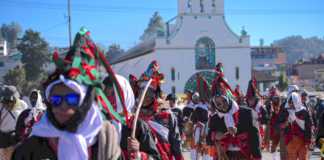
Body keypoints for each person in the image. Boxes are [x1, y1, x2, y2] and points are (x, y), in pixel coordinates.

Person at [12, 29, 122, 160]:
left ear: (85, 102)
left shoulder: (105, 139)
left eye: (72, 99)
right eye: (56, 100)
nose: (63, 106)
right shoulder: (31, 149)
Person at [208, 66, 262, 160]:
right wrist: (215, 135)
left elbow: (255, 138)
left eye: (224, 101)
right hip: (223, 156)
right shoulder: (215, 118)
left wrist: (257, 157)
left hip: (243, 155)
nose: (222, 106)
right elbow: (208, 139)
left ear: (229, 98)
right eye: (218, 104)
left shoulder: (248, 113)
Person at [275, 92, 311, 160]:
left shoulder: (303, 111)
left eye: (293, 102)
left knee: (303, 157)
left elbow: (308, 126)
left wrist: (309, 140)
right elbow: (277, 125)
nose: (291, 104)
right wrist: (283, 124)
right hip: (290, 139)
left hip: (302, 140)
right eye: (290, 102)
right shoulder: (285, 111)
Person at [0, 85, 28, 160]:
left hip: (16, 136)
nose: (8, 103)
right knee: (4, 156)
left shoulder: (23, 104)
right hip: (3, 136)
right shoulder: (1, 105)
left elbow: (26, 119)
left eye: (10, 100)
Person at [245, 78, 269, 149]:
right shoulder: (245, 108)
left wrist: (259, 120)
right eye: (249, 99)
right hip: (247, 131)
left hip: (259, 130)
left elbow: (266, 119)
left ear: (255, 98)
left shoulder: (261, 107)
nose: (250, 101)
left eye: (251, 99)